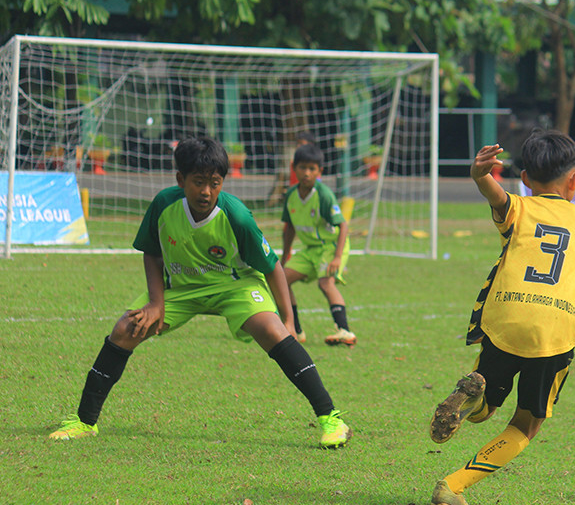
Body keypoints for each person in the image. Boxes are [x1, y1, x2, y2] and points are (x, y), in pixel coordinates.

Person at [48, 136, 352, 449]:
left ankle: (331, 419)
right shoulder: (164, 205)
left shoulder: (237, 216)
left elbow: (272, 267)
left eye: (214, 183)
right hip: (182, 288)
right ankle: (85, 421)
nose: (206, 191)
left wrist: (288, 321)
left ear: (223, 183)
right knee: (125, 329)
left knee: (274, 332)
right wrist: (156, 302)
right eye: (198, 182)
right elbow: (151, 252)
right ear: (181, 179)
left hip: (234, 285)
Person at [428, 129, 575, 505]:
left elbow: (495, 194)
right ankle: (451, 487)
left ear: (525, 179)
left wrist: (480, 174)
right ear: (574, 179)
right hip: (555, 332)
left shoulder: (519, 208)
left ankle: (474, 402)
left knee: (486, 400)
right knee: (525, 424)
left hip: (505, 316)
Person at [280, 142, 357, 347]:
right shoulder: (291, 196)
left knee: (325, 283)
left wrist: (338, 257)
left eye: (312, 169)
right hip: (311, 250)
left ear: (319, 171)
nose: (306, 173)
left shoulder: (323, 195)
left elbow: (343, 226)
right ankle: (295, 330)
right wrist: (285, 255)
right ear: (293, 168)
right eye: (302, 167)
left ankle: (345, 331)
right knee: (281, 280)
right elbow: (290, 229)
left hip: (331, 247)